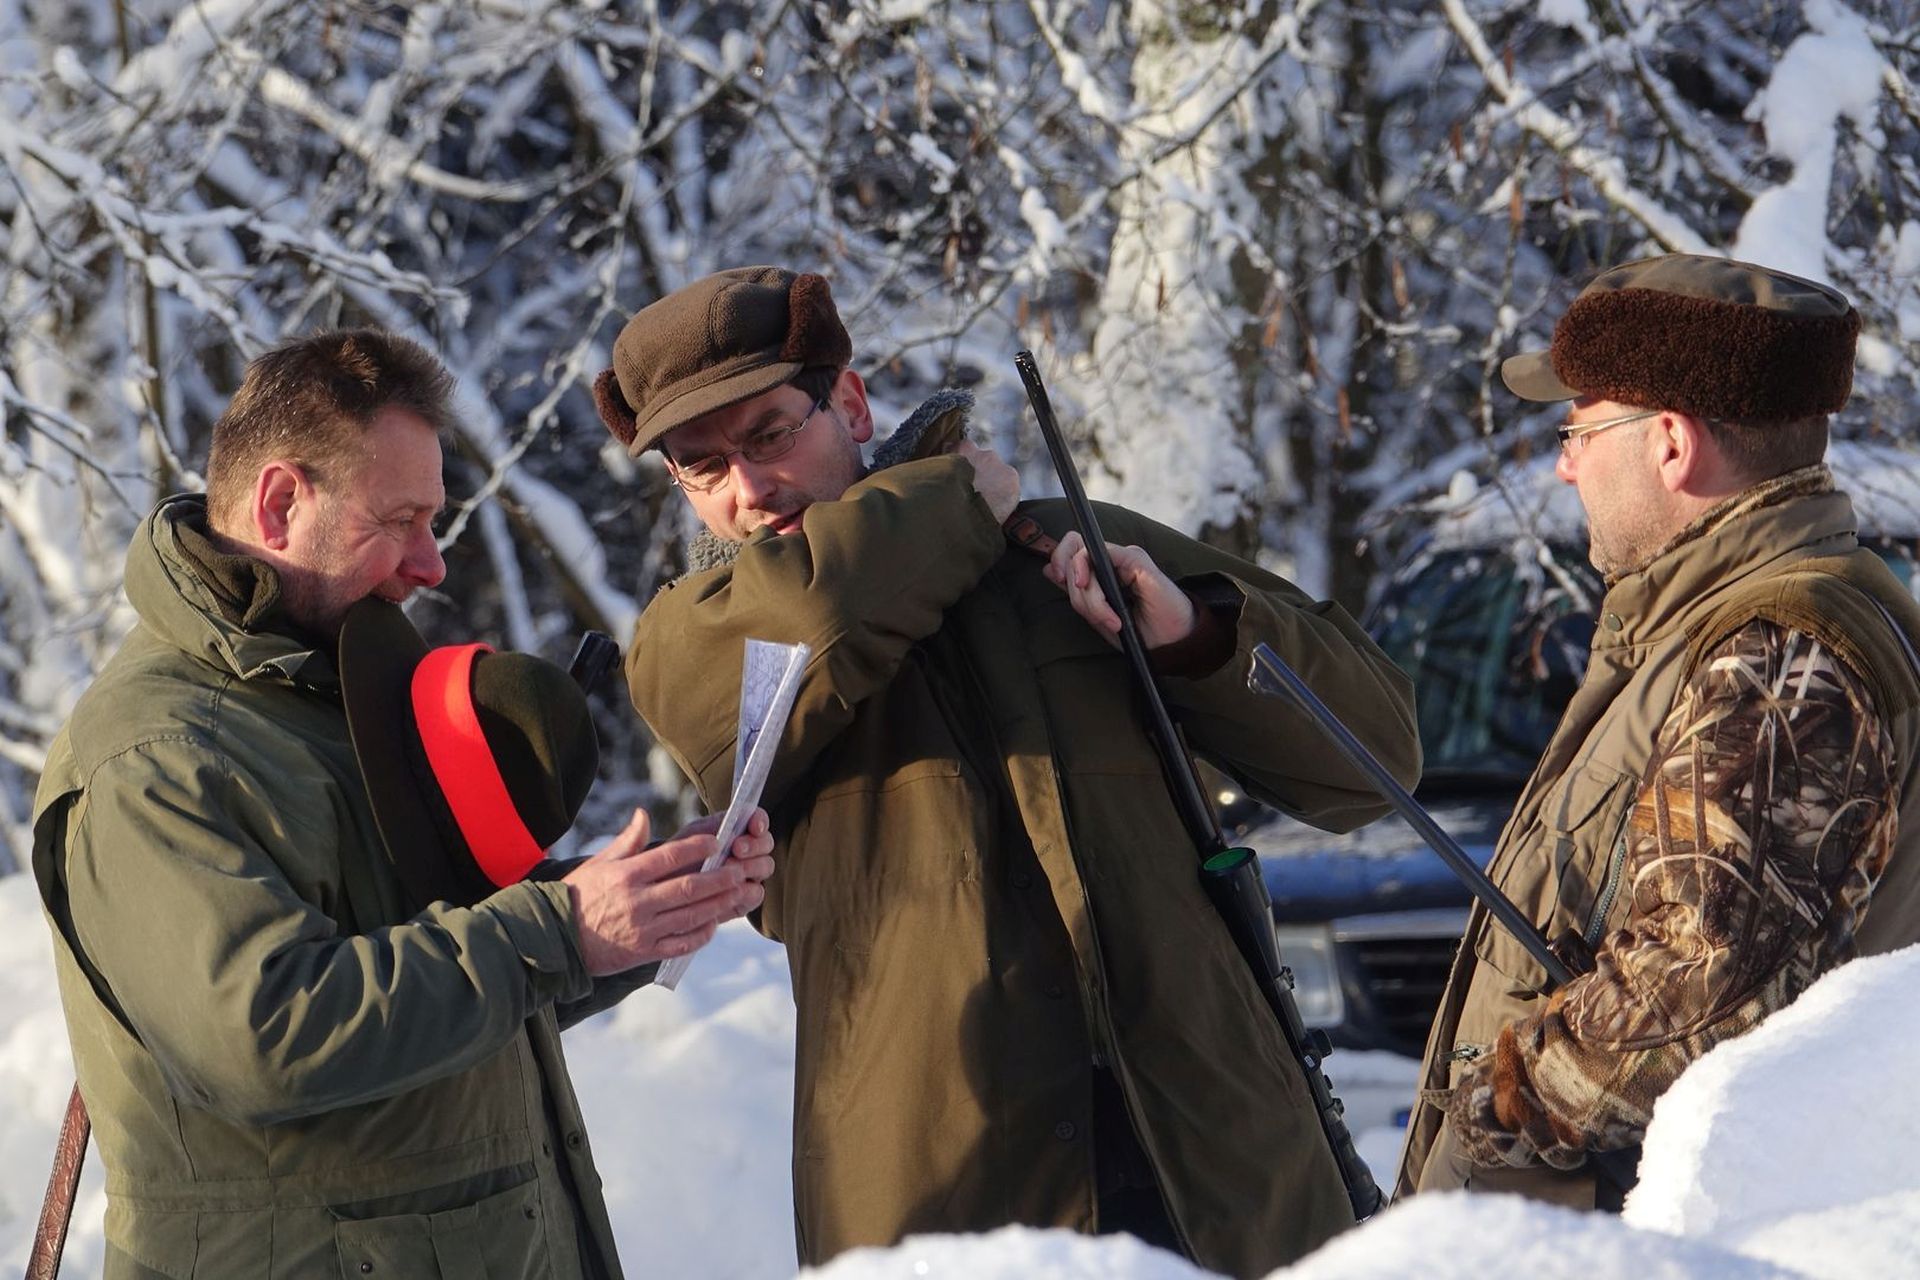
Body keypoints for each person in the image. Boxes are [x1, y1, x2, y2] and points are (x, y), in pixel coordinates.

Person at [593, 266, 1423, 1277]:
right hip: (942, 1205)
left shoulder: (1055, 545)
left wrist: (1196, 637)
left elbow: (1377, 758)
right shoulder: (700, 645)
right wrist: (955, 496)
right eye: (702, 466)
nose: (749, 490)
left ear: (849, 402)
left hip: (1222, 1174)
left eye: (769, 435)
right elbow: (818, 610)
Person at [28, 329, 774, 1280]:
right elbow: (268, 1037)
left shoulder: (331, 693)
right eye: (400, 520)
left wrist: (632, 914)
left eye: (435, 524)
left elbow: (434, 977)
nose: (432, 565)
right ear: (281, 503)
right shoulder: (156, 754)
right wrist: (556, 929)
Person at [1395, 254, 1920, 1207]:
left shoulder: (1775, 657)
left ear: (1671, 443)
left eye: (1578, 430)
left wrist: (1490, 1112)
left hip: (1638, 1242)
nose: (1565, 464)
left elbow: (1696, 995)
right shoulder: (1719, 631)